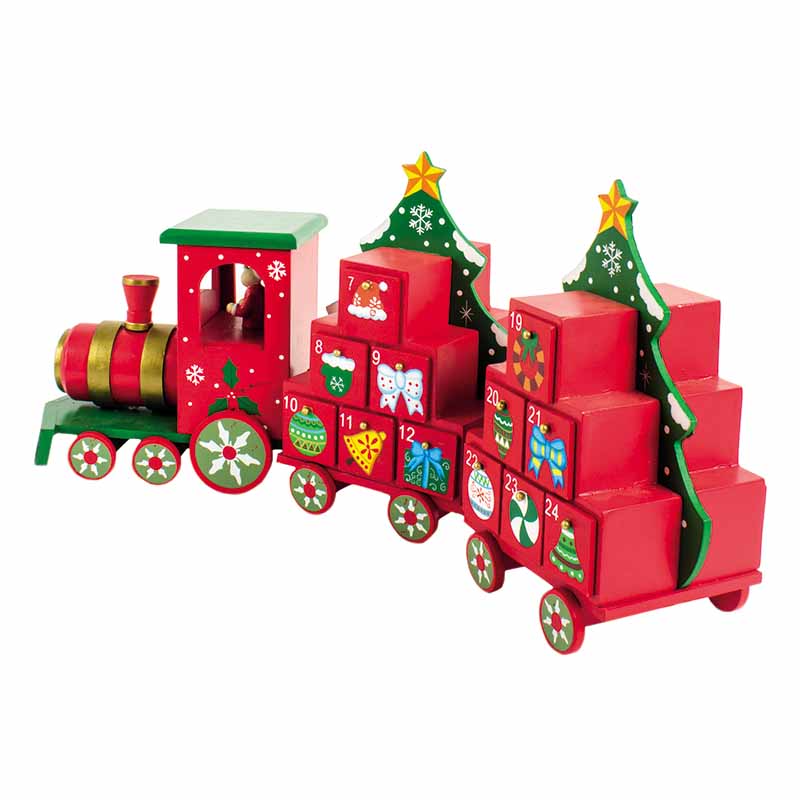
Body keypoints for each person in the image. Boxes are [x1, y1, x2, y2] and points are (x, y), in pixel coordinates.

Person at [226, 267, 264, 331]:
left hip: (251, 325)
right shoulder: (261, 289)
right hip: (260, 323)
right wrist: (244, 301)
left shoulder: (252, 291)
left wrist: (232, 308)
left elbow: (244, 310)